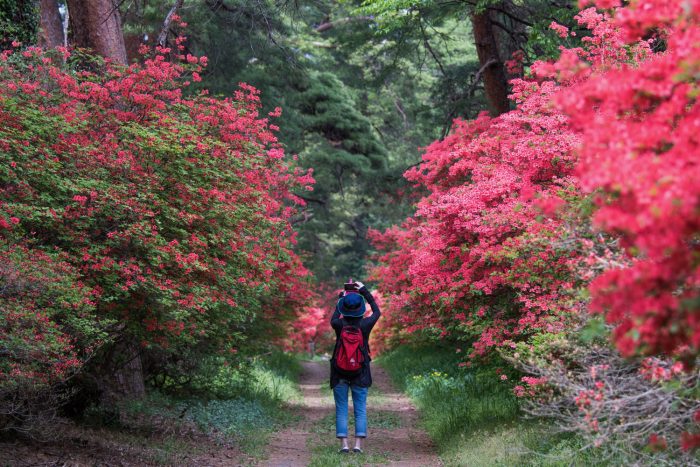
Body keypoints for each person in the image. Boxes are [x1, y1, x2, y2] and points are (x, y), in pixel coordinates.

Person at [330, 280, 381, 454]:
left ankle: (344, 445)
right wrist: (365, 292)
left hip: (339, 371)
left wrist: (342, 298)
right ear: (360, 309)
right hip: (361, 371)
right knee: (360, 409)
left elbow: (335, 316)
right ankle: (358, 446)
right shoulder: (366, 325)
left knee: (341, 408)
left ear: (343, 307)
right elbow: (377, 311)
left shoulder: (338, 325)